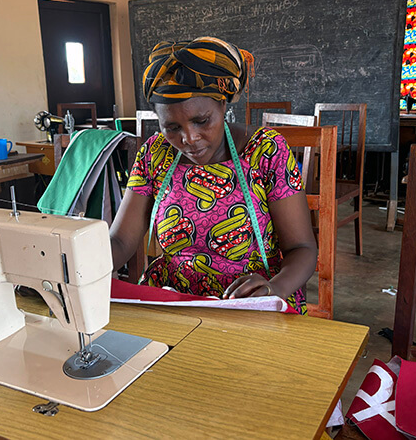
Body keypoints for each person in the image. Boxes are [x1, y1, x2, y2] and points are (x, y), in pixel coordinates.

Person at [110, 37, 317, 313]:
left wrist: (273, 288)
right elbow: (121, 241)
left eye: (201, 120)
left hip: (250, 304)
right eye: (171, 127)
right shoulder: (154, 154)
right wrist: (75, 265)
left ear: (223, 104)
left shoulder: (265, 151)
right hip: (173, 302)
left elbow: (302, 248)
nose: (189, 138)